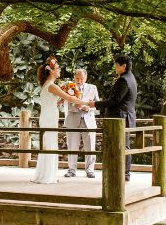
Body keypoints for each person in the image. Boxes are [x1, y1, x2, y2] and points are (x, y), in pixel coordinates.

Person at [32, 56, 87, 184]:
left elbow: (53, 102)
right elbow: (71, 99)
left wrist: (60, 100)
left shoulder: (47, 85)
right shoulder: (52, 86)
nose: (59, 70)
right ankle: (47, 176)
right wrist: (87, 103)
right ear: (51, 71)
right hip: (49, 117)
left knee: (47, 144)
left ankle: (45, 174)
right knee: (50, 144)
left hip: (47, 115)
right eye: (57, 68)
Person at [85, 54, 137, 182]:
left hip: (119, 117)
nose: (115, 67)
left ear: (123, 66)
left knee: (121, 146)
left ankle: (124, 173)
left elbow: (115, 100)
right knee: (123, 145)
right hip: (125, 116)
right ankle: (122, 172)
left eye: (116, 65)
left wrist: (95, 104)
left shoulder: (124, 80)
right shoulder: (131, 78)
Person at [64, 69, 99, 179]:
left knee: (90, 147)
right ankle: (71, 170)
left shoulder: (93, 88)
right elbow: (66, 103)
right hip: (73, 119)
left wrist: (88, 108)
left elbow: (98, 106)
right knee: (72, 146)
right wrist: (76, 106)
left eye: (82, 78)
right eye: (77, 78)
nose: (79, 81)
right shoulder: (68, 87)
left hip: (88, 120)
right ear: (74, 77)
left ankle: (90, 170)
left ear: (86, 78)